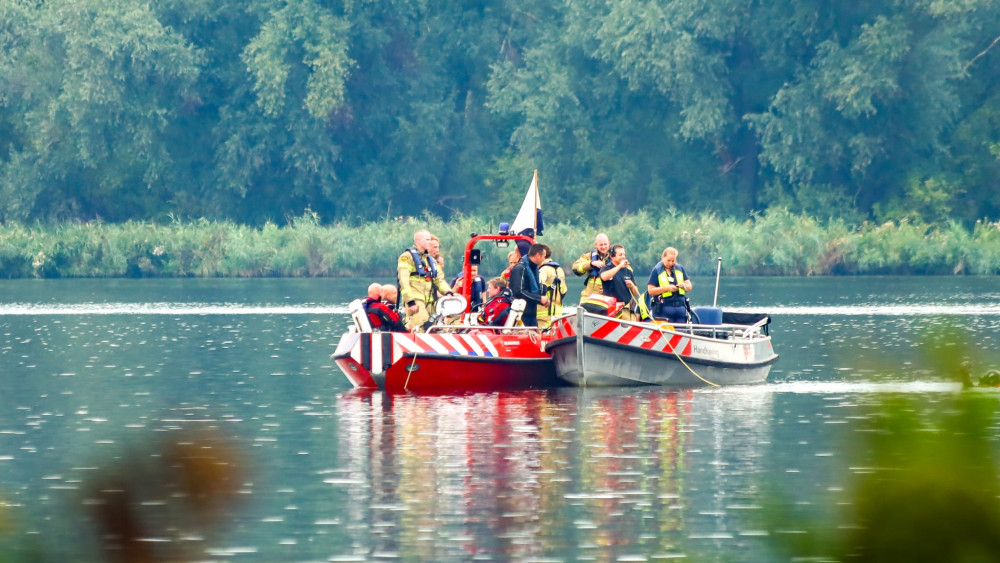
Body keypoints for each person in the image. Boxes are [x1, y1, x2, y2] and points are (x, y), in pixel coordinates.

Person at [397, 229, 453, 331]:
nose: (430, 242)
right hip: (416, 301)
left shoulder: (430, 260)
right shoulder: (407, 257)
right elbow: (403, 281)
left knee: (432, 328)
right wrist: (410, 302)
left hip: (431, 302)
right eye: (427, 239)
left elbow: (439, 279)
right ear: (419, 241)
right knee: (420, 326)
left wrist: (448, 292)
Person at [508, 243, 550, 327]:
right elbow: (518, 292)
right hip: (520, 315)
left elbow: (532, 290)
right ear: (538, 255)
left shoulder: (534, 269)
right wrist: (539, 298)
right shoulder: (520, 269)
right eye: (543, 257)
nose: (544, 259)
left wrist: (543, 297)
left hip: (531, 314)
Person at [647, 247, 693, 324]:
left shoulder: (680, 268)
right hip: (664, 309)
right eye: (668, 260)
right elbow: (650, 290)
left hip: (680, 309)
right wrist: (666, 288)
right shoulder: (657, 270)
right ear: (663, 257)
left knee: (681, 332)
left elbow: (689, 286)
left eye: (673, 261)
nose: (671, 263)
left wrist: (684, 285)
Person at [599, 244, 640, 320]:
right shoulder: (606, 268)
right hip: (611, 310)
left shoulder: (628, 271)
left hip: (626, 310)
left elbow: (635, 293)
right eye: (620, 255)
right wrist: (619, 266)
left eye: (624, 255)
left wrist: (631, 285)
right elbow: (604, 277)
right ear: (612, 256)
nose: (623, 257)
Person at [571, 233, 612, 301]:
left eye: (605, 244)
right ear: (595, 245)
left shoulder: (615, 257)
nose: (603, 247)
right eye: (601, 245)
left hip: (605, 298)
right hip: (588, 297)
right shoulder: (589, 256)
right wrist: (591, 264)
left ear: (609, 244)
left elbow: (622, 276)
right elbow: (575, 268)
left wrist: (608, 289)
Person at [536, 247, 567, 328]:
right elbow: (564, 291)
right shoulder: (560, 270)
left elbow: (539, 287)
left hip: (543, 314)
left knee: (542, 337)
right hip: (558, 314)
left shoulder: (543, 270)